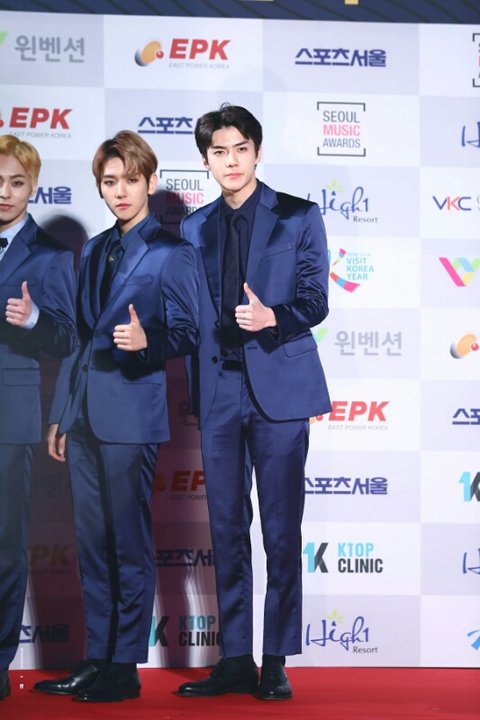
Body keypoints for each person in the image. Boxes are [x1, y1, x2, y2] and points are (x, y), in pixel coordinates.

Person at [33, 130, 198, 703]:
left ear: (150, 181)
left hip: (131, 414)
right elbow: (79, 340)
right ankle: (96, 658)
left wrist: (148, 342)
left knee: (127, 542)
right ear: (99, 187)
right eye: (110, 182)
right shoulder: (97, 247)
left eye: (131, 179)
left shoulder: (173, 252)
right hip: (82, 417)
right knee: (92, 542)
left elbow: (189, 332)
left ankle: (124, 666)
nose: (120, 191)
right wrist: (61, 414)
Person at [177, 105, 331, 701]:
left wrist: (274, 318)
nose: (231, 161)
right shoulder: (193, 227)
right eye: (219, 152)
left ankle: (276, 660)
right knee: (226, 529)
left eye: (241, 149)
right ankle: (235, 658)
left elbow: (316, 299)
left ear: (258, 152)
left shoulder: (298, 215)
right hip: (218, 391)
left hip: (279, 394)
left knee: (282, 532)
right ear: (206, 161)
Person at [0, 135, 76, 701]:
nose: (4, 193)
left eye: (16, 183)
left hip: (11, 414)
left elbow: (69, 337)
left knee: (5, 543)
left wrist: (33, 321)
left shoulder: (50, 254)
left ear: (33, 187)